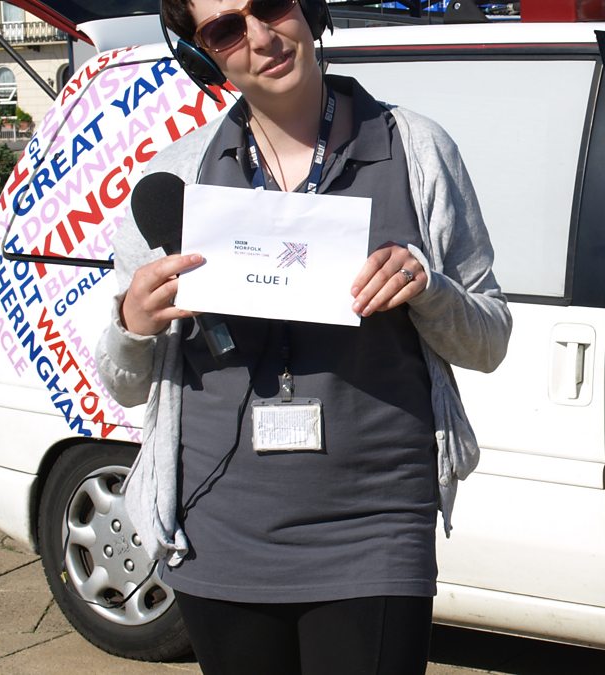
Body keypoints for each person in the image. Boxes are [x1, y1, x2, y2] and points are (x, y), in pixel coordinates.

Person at [95, 0, 511, 672]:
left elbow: (490, 339)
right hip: (218, 529)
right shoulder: (178, 176)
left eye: (270, 5)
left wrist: (428, 288)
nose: (260, 37)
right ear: (203, 54)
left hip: (374, 528)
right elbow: (120, 378)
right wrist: (131, 325)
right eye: (227, 29)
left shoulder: (417, 150)